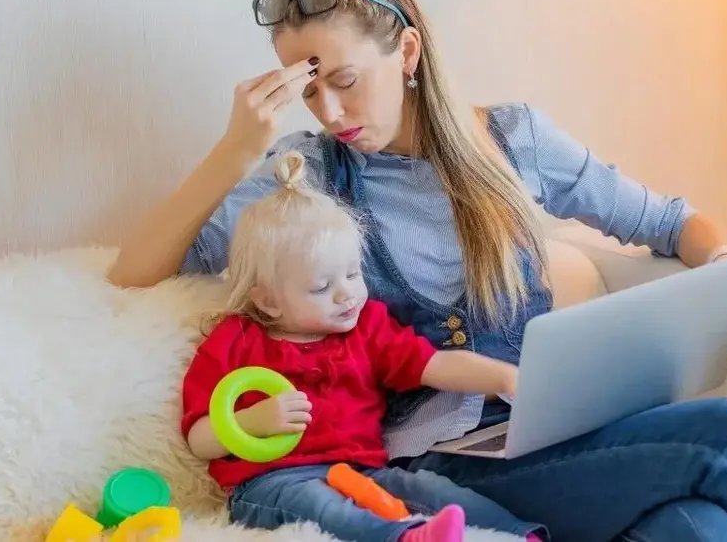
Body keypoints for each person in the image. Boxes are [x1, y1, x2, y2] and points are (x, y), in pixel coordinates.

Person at [110, 0, 727, 540]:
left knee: (703, 528)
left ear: (408, 54)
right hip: (439, 466)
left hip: (552, 437)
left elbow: (670, 223)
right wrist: (234, 150)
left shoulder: (517, 141)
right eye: (307, 86)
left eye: (344, 79)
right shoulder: (311, 175)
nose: (328, 111)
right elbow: (134, 270)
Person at [180, 151, 546, 542]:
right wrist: (252, 422)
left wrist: (505, 377)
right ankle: (403, 538)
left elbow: (435, 365)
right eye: (322, 287)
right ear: (268, 300)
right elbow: (199, 439)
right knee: (323, 507)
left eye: (353, 274)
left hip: (362, 471)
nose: (346, 294)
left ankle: (516, 536)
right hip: (273, 482)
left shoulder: (367, 327)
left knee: (430, 490)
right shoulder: (234, 341)